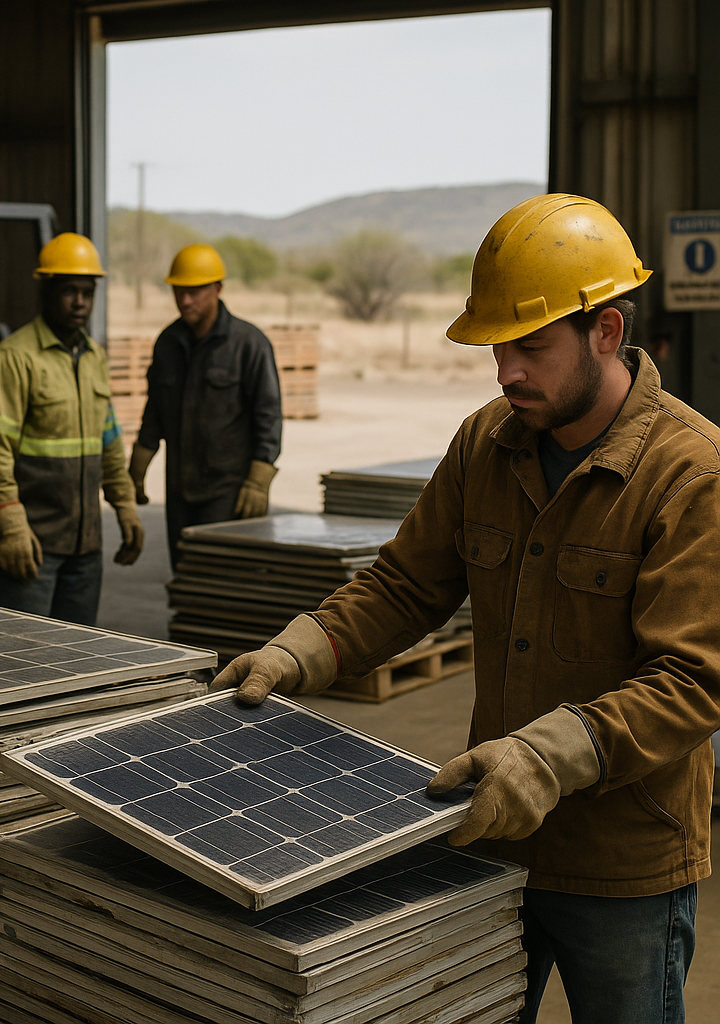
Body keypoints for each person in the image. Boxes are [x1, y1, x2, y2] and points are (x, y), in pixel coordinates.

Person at [213, 194, 720, 1024]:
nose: (506, 371)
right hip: (495, 839)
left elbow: (694, 681)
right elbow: (405, 585)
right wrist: (298, 652)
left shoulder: (690, 474)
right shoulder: (487, 444)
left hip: (623, 863)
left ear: (607, 333)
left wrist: (547, 756)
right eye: (496, 347)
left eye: (530, 345)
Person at [0, 232, 143, 625]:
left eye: (87, 291)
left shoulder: (95, 359)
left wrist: (125, 506)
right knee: (20, 659)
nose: (80, 301)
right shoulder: (15, 357)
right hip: (32, 544)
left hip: (85, 549)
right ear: (47, 291)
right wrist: (11, 526)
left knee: (77, 660)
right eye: (70, 290)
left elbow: (110, 443)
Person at [127, 243, 282, 570]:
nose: (185, 300)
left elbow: (268, 416)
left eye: (195, 291)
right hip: (180, 491)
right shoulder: (167, 343)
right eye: (179, 291)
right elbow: (155, 413)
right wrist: (136, 470)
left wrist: (258, 480)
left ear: (218, 288)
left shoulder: (249, 345)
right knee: (184, 577)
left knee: (223, 581)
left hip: (228, 493)